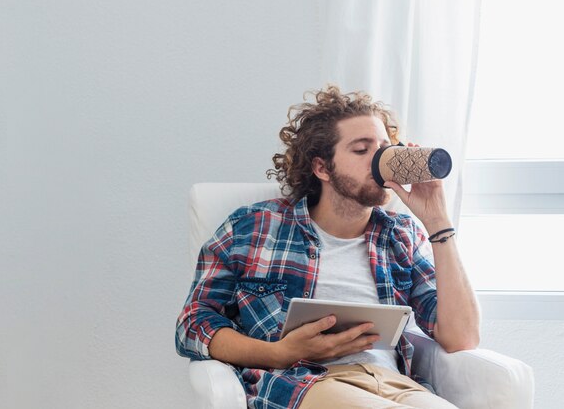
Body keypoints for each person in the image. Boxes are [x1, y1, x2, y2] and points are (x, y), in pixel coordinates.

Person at [176, 86, 480, 408]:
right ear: (322, 168)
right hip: (305, 382)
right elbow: (193, 324)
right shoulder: (254, 227)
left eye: (385, 149)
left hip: (395, 384)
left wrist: (437, 223)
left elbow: (462, 337)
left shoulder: (401, 236)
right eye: (362, 150)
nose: (379, 161)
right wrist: (279, 353)